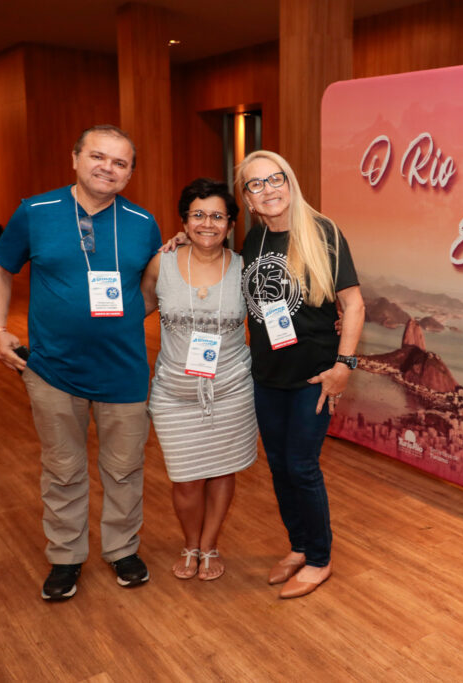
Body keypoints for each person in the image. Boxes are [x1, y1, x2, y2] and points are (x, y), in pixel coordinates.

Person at [0, 124, 161, 601]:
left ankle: (122, 550)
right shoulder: (35, 211)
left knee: (124, 469)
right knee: (63, 469)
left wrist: (112, 324)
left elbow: (148, 291)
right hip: (53, 370)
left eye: (120, 162)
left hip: (123, 372)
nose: (108, 168)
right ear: (75, 158)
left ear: (130, 173)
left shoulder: (144, 223)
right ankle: (65, 558)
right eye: (98, 157)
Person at [235, 150, 365, 599]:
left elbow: (353, 304)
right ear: (248, 198)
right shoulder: (252, 240)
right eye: (256, 184)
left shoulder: (323, 233)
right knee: (278, 466)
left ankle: (320, 558)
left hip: (314, 376)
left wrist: (343, 366)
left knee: (301, 465)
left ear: (290, 183)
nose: (268, 189)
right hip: (267, 375)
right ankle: (299, 545)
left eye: (276, 179)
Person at [140, 178, 257, 581]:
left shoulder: (244, 269)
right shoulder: (163, 263)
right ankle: (189, 541)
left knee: (223, 470)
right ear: (185, 221)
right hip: (174, 392)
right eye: (198, 215)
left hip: (231, 389)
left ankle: (208, 546)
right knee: (186, 478)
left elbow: (278, 317)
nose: (208, 223)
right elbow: (135, 310)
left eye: (217, 216)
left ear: (230, 223)